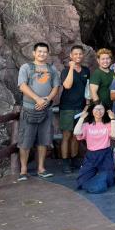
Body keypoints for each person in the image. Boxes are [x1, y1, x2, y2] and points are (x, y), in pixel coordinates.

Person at [17, 42, 60, 181]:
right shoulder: (26, 67)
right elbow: (22, 85)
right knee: (25, 140)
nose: (42, 54)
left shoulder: (52, 69)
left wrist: (46, 100)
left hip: (46, 109)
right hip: (30, 108)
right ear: (34, 53)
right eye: (39, 51)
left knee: (44, 139)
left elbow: (56, 87)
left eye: (45, 52)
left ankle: (41, 168)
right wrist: (37, 99)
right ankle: (23, 170)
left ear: (48, 54)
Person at [74, 103, 115, 193]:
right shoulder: (86, 125)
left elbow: (114, 135)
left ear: (105, 111)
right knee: (81, 181)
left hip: (105, 154)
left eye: (101, 109)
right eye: (96, 109)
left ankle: (99, 178)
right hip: (91, 155)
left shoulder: (108, 124)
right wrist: (82, 118)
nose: (98, 111)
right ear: (92, 111)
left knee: (109, 180)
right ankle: (98, 179)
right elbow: (76, 132)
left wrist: (113, 119)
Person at [59, 45, 90, 173]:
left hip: (81, 107)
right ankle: (65, 162)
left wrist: (87, 105)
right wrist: (71, 67)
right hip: (67, 107)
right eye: (75, 54)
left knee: (76, 135)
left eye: (80, 54)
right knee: (66, 135)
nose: (78, 56)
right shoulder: (66, 70)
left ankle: (74, 159)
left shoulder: (86, 71)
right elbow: (67, 85)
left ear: (83, 56)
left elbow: (88, 89)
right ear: (71, 56)